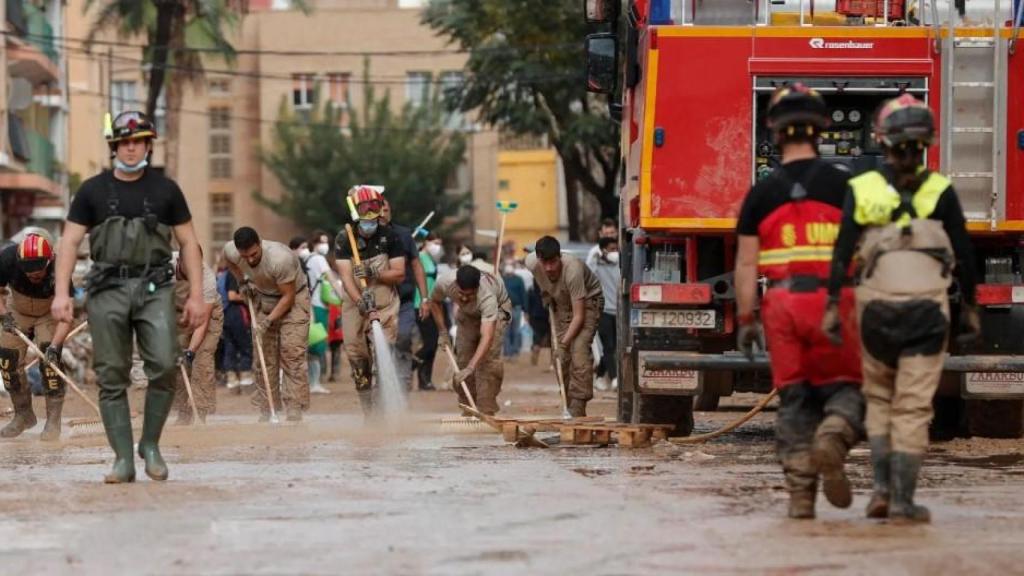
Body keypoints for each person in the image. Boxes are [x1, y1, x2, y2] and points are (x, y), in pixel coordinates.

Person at [823, 94, 979, 524]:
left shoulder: (862, 188)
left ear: (882, 141)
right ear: (926, 142)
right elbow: (964, 253)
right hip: (927, 314)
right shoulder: (940, 190)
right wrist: (972, 307)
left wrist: (835, 305)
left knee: (880, 401)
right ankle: (904, 502)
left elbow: (841, 255)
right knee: (912, 408)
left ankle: (880, 490)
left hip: (877, 313)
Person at [52, 110, 207, 483]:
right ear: (114, 146)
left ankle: (150, 445)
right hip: (106, 290)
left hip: (155, 289)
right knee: (112, 376)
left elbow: (188, 243)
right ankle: (122, 458)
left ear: (149, 145)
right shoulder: (91, 190)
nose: (131, 148)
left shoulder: (166, 190)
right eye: (124, 141)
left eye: (138, 141)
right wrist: (62, 294)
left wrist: (197, 296)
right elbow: (70, 241)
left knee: (164, 366)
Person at [735, 84, 864, 520]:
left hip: (783, 305)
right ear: (822, 128)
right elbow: (863, 254)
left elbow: (747, 264)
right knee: (847, 388)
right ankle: (833, 435)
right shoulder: (844, 186)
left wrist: (746, 317)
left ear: (774, 131)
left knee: (794, 399)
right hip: (834, 302)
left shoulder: (760, 194)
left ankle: (801, 497)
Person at [224, 227, 311, 422]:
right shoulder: (232, 251)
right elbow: (229, 261)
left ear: (260, 243)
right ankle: (268, 407)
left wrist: (268, 321)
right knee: (264, 356)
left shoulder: (280, 259)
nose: (250, 260)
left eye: (254, 254)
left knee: (292, 353)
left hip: (294, 299)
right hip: (263, 298)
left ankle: (294, 407)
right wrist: (242, 281)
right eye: (245, 256)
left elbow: (287, 297)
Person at [334, 185, 406, 417]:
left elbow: (399, 273)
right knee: (357, 355)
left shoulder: (390, 236)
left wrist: (372, 273)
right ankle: (368, 411)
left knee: (383, 354)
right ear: (356, 213)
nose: (370, 222)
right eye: (365, 214)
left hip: (385, 304)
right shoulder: (345, 238)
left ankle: (384, 406)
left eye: (374, 215)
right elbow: (346, 277)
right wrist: (361, 302)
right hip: (355, 304)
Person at [0, 232, 73, 441]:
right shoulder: (7, 259)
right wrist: (4, 316)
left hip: (50, 311)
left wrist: (55, 347)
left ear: (48, 261)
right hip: (18, 309)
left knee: (51, 363)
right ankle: (23, 414)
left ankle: (53, 420)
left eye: (38, 271)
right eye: (28, 272)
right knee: (7, 359)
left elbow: (66, 317)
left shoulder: (60, 269)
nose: (33, 275)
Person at [526, 236, 604, 417]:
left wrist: (563, 344)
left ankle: (577, 405)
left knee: (578, 351)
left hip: (587, 303)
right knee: (561, 359)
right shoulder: (530, 262)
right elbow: (539, 278)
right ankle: (567, 403)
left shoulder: (573, 270)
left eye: (553, 262)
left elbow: (579, 316)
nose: (549, 268)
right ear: (538, 258)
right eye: (544, 263)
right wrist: (545, 293)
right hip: (560, 303)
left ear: (559, 257)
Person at [429, 265, 512, 415]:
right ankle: (468, 407)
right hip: (466, 314)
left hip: (496, 312)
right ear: (456, 284)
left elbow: (487, 337)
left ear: (477, 289)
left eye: (470, 295)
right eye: (461, 294)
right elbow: (434, 302)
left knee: (488, 362)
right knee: (462, 360)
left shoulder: (487, 296)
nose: (465, 298)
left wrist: (471, 367)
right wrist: (443, 332)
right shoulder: (445, 282)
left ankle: (486, 409)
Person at [380, 199, 428, 392]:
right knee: (381, 344)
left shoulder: (403, 234)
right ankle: (381, 388)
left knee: (404, 337)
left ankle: (403, 385)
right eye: (380, 210)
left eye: (387, 209)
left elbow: (416, 265)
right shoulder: (365, 237)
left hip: (405, 301)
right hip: (379, 302)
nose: (383, 213)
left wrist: (424, 298)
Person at [173, 248, 222, 425]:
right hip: (177, 312)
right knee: (177, 364)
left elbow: (202, 324)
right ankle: (183, 414)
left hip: (206, 313)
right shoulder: (165, 267)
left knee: (201, 360)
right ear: (179, 261)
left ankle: (201, 414)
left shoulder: (208, 279)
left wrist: (190, 352)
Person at [413, 233, 444, 390]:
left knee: (432, 344)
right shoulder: (420, 257)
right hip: (420, 304)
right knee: (430, 344)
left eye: (440, 243)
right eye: (435, 242)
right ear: (426, 242)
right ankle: (410, 365)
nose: (438, 246)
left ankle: (425, 379)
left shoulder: (431, 259)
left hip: (433, 304)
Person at [589, 236, 620, 390]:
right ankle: (614, 378)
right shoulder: (596, 266)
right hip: (604, 312)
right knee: (608, 347)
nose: (615, 252)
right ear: (603, 251)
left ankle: (600, 376)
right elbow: (588, 274)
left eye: (616, 249)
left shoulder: (620, 264)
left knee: (615, 348)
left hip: (620, 312)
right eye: (611, 249)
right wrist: (597, 257)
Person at [219, 260, 254, 390]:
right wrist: (247, 297)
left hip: (226, 313)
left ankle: (231, 378)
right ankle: (245, 376)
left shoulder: (224, 275)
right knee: (245, 344)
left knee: (230, 345)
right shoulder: (234, 275)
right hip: (236, 314)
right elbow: (232, 296)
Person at [501, 262, 527, 358]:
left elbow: (523, 294)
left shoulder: (519, 280)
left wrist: (525, 308)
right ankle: (507, 352)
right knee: (506, 332)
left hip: (516, 308)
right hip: (504, 309)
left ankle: (515, 351)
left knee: (516, 330)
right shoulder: (502, 280)